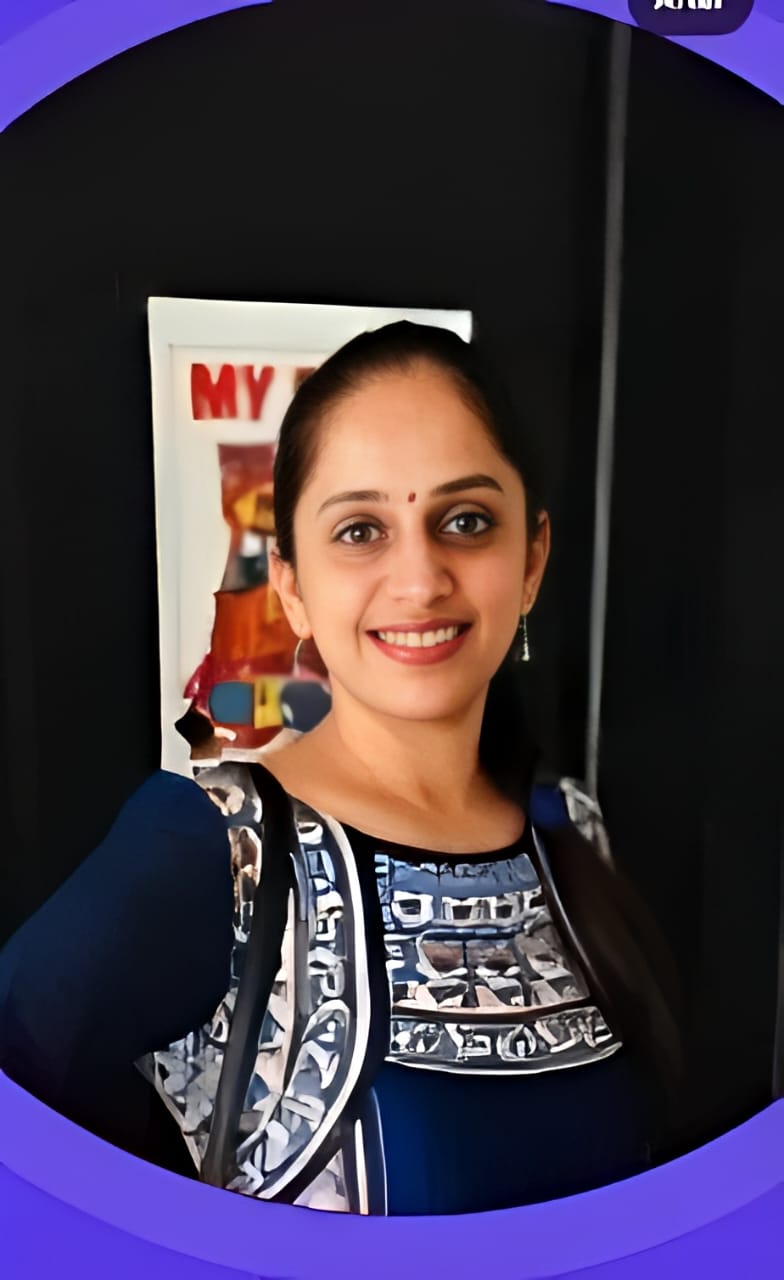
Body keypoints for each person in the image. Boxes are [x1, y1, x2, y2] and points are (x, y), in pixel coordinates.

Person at [0, 322, 680, 1216]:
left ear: (532, 560)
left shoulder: (569, 827)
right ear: (291, 587)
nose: (420, 579)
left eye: (466, 521)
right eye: (361, 530)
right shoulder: (216, 849)